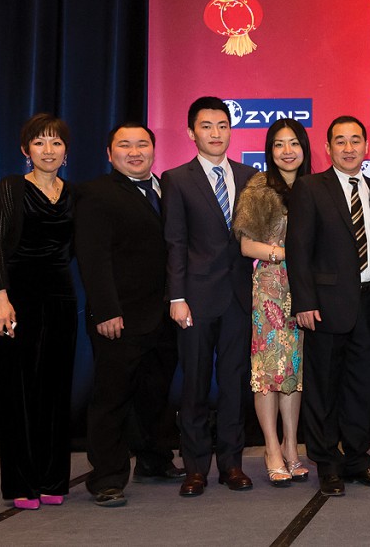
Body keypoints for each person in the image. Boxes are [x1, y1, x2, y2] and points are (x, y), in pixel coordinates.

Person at [75, 123, 183, 508]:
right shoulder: (95, 194)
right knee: (112, 398)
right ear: (109, 153)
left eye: (143, 144)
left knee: (154, 395)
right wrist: (106, 309)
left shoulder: (167, 188)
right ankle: (106, 476)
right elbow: (93, 257)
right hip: (118, 317)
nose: (135, 152)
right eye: (125, 145)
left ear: (155, 149)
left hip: (165, 316)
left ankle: (154, 460)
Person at [287, 116, 370, 497]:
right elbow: (298, 249)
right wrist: (304, 301)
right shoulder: (311, 187)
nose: (349, 148)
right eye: (340, 142)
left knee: (361, 389)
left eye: (356, 141)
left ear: (367, 146)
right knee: (324, 392)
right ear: (328, 148)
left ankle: (358, 460)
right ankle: (327, 464)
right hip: (325, 306)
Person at [162, 96, 258, 497]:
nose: (215, 133)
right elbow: (175, 243)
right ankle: (196, 467)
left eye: (222, 125)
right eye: (206, 126)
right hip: (195, 299)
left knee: (235, 384)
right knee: (196, 385)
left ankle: (232, 464)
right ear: (191, 132)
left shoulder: (250, 175)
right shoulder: (177, 178)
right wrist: (177, 297)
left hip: (239, 296)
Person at [0, 113, 78, 510]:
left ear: (66, 152)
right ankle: (22, 482)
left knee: (56, 390)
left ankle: (53, 477)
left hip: (61, 298)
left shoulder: (73, 194)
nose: (48, 150)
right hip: (17, 298)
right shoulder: (10, 188)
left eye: (55, 143)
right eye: (39, 142)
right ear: (26, 150)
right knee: (18, 391)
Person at [232, 118, 311, 487]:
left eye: (293, 143)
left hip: (307, 290)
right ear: (270, 150)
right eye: (279, 144)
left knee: (293, 373)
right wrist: (284, 253)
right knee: (268, 372)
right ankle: (271, 448)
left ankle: (293, 446)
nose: (287, 151)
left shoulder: (315, 186)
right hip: (271, 288)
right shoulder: (259, 189)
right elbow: (247, 245)